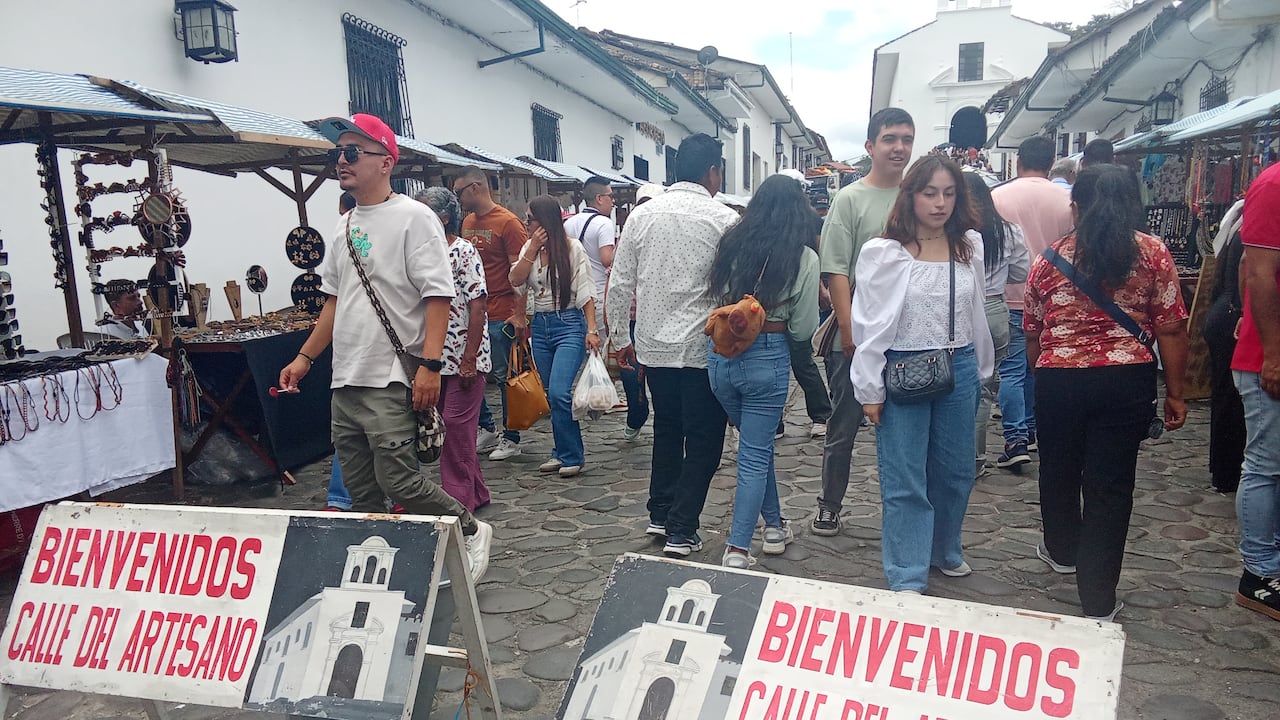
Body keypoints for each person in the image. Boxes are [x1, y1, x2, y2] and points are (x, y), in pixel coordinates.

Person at [280, 113, 491, 579]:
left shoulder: (414, 219)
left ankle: (470, 529)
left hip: (391, 375)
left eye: (353, 152)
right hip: (345, 378)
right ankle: (388, 567)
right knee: (361, 491)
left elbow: (439, 295)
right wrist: (304, 357)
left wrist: (431, 366)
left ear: (385, 162)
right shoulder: (344, 224)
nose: (342, 160)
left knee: (399, 479)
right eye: (339, 152)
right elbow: (335, 303)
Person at [1026, 163, 1188, 621]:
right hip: (1125, 382)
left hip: (1059, 380)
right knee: (1110, 487)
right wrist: (1176, 393)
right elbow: (1172, 328)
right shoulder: (1153, 254)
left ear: (1075, 208)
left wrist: (1044, 379)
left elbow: (1033, 331)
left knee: (1058, 467)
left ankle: (1062, 549)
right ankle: (1097, 597)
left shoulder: (1050, 258)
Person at [851, 156, 992, 593]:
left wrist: (982, 369)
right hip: (904, 368)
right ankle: (907, 569)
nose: (940, 202)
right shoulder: (884, 252)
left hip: (960, 365)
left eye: (949, 193)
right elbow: (869, 324)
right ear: (910, 195)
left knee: (956, 470)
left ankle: (942, 546)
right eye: (930, 192)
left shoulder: (969, 245)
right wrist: (869, 386)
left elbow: (977, 309)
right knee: (905, 475)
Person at [607, 133, 739, 557]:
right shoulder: (724, 219)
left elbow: (620, 282)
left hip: (653, 345)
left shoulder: (642, 217)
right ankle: (682, 528)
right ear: (713, 170)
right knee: (704, 438)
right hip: (704, 347)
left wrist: (618, 337)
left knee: (667, 428)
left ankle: (661, 513)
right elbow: (734, 289)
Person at [812, 107, 915, 537]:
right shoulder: (849, 199)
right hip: (856, 336)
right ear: (870, 146)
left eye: (906, 139)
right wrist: (849, 329)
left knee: (907, 432)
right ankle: (829, 503)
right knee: (844, 423)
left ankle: (906, 513)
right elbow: (835, 269)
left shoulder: (919, 196)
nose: (899, 147)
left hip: (910, 335)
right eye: (890, 139)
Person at [708, 175, 819, 567]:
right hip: (768, 357)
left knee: (756, 447)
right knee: (754, 455)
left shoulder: (731, 244)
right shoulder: (804, 258)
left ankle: (774, 526)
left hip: (720, 356)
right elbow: (803, 330)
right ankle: (738, 548)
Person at [991, 136, 1073, 470]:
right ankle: (1036, 428)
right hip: (1056, 298)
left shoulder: (997, 197)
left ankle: (1016, 438)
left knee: (1012, 369)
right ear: (1051, 164)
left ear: (1018, 161)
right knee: (1042, 367)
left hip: (1011, 293)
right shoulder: (1068, 199)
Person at [509, 195, 601, 477]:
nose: (526, 224)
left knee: (560, 391)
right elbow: (516, 280)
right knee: (551, 394)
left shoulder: (573, 249)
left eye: (530, 219)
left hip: (568, 323)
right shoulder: (530, 248)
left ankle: (573, 453)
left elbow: (585, 291)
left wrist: (592, 329)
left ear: (545, 221)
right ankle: (560, 452)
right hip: (541, 326)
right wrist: (532, 248)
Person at [418, 187, 492, 511]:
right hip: (434, 359)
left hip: (464, 357)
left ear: (443, 218)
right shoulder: (421, 254)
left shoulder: (463, 252)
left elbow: (478, 305)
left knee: (456, 430)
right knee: (454, 430)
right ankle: (476, 492)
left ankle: (458, 504)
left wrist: (469, 358)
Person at [1231, 162, 1280, 621]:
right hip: (1266, 356)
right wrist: (1273, 352)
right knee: (1266, 464)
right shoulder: (1272, 185)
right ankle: (1260, 573)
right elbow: (1259, 271)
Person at [455, 166, 528, 461]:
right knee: (473, 372)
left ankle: (511, 437)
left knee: (504, 376)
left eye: (459, 191)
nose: (457, 197)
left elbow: (521, 273)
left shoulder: (508, 223)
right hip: (474, 312)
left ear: (475, 187)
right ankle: (487, 427)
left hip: (501, 312)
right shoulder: (468, 222)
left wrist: (520, 314)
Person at [965, 172, 1029, 473]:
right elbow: (1021, 272)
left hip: (963, 309)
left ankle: (963, 457)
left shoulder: (955, 233)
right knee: (986, 389)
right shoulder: (1008, 231)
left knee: (961, 387)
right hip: (995, 309)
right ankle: (977, 458)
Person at [777, 169, 832, 438]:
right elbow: (821, 254)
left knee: (791, 361)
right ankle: (820, 415)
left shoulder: (767, 220)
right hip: (801, 289)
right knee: (801, 360)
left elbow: (818, 254)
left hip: (785, 295)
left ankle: (815, 414)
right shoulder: (810, 218)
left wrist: (820, 285)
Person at [613, 183, 664, 441]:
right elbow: (618, 279)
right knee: (631, 373)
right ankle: (638, 410)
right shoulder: (630, 231)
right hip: (634, 316)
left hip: (654, 316)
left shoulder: (665, 233)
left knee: (655, 372)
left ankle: (650, 412)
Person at [1203, 213, 1246, 494]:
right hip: (1233, 317)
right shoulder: (1251, 227)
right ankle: (1227, 471)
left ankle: (1223, 469)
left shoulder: (1239, 224)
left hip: (1222, 313)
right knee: (1232, 399)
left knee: (1225, 397)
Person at [327, 191, 358, 512]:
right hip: (350, 355)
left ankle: (342, 496)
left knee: (387, 434)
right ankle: (340, 495)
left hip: (383, 356)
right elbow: (334, 298)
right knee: (350, 433)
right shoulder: (342, 235)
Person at [565, 176, 617, 336]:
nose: (613, 201)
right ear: (599, 198)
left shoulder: (569, 223)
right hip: (599, 295)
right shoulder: (604, 223)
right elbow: (606, 259)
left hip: (575, 296)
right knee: (600, 349)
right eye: (610, 196)